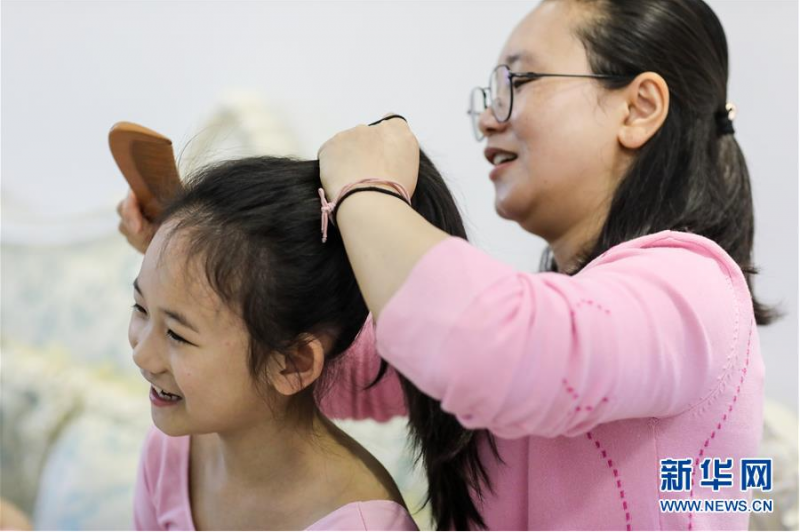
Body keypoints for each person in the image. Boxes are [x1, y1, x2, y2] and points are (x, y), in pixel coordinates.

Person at [314, 0, 778, 530]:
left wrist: (365, 189)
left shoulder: (697, 284)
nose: (489, 119)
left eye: (519, 81)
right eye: (492, 93)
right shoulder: (554, 320)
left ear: (638, 108)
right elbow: (343, 365)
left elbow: (493, 346)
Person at [127, 154, 469, 531]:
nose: (142, 355)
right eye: (140, 308)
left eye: (177, 334)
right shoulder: (170, 453)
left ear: (293, 364)